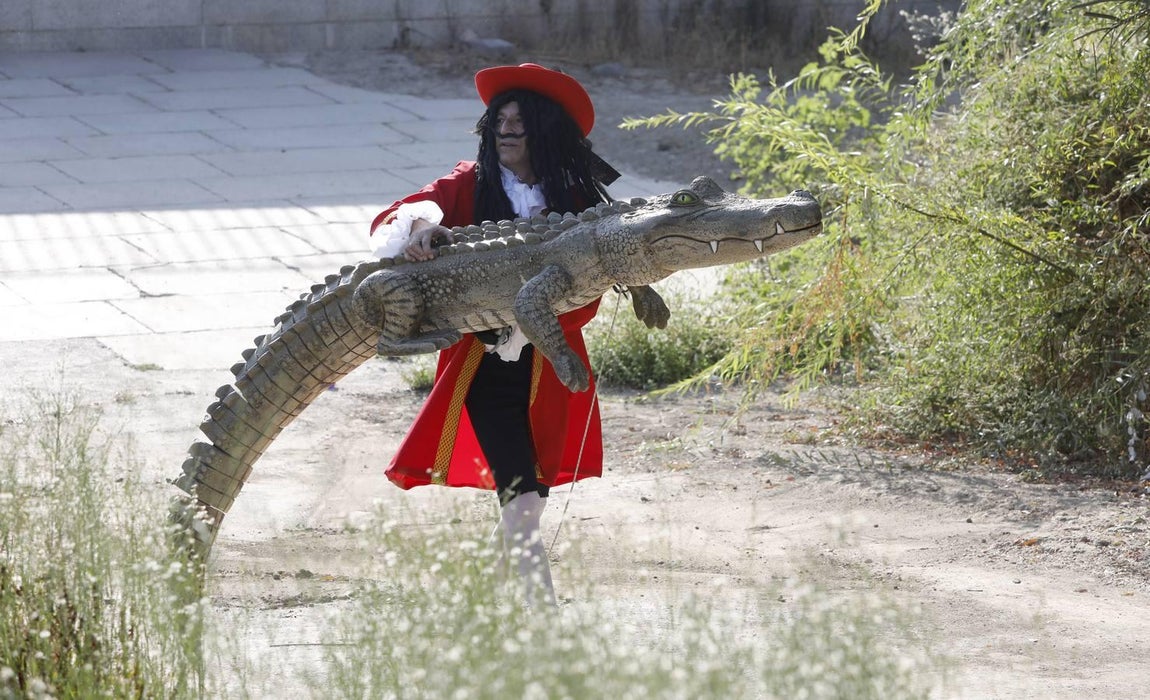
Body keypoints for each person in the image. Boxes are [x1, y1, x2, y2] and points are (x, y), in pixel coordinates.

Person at [368, 63, 619, 605]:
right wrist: (425, 228)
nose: (507, 129)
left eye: (520, 121)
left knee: (528, 502)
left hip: (551, 366)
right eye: (500, 119)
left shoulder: (577, 195)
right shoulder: (469, 183)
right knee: (523, 504)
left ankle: (478, 609)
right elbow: (396, 215)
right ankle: (545, 628)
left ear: (545, 131)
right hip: (483, 367)